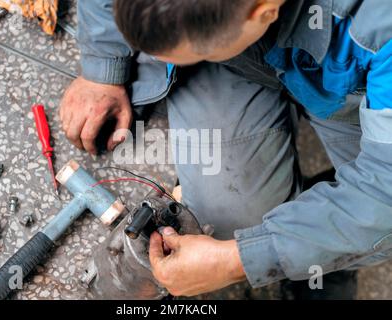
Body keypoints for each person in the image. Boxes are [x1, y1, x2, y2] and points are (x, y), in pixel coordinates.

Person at [60, 0, 392, 298]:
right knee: (228, 221)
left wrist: (239, 261)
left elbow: (384, 198)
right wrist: (103, 67)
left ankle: (323, 251)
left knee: (378, 229)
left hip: (356, 92)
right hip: (243, 55)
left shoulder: (382, 28)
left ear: (263, 11)